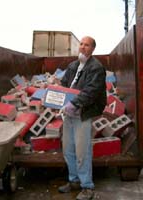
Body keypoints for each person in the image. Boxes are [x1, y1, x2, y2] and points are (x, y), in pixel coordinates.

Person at [58, 36, 107, 200]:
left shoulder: (96, 68)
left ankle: (87, 187)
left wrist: (74, 104)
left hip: (83, 114)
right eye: (81, 44)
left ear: (93, 49)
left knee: (82, 151)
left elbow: (91, 92)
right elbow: (64, 85)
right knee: (68, 149)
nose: (83, 47)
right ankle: (74, 181)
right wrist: (54, 96)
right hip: (68, 114)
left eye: (87, 45)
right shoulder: (73, 65)